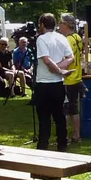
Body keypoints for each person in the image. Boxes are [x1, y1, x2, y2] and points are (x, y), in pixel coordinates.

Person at [34, 12, 74, 152]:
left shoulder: (41, 39)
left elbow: (46, 60)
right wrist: (60, 68)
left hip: (44, 84)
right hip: (58, 84)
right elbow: (71, 57)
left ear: (42, 25)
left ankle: (43, 146)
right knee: (59, 116)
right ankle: (62, 144)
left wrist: (57, 69)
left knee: (44, 117)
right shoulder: (62, 38)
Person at [59, 13, 85, 144]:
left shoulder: (67, 40)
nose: (59, 26)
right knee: (74, 108)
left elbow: (65, 59)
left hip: (68, 78)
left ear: (66, 25)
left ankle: (65, 137)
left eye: (60, 23)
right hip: (77, 77)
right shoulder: (77, 37)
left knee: (65, 109)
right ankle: (76, 135)